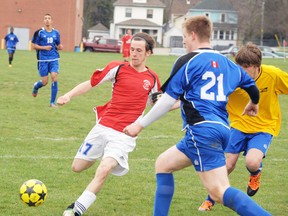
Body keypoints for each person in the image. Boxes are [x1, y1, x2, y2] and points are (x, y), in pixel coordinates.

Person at [123, 16, 271, 215]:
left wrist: (139, 125)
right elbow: (252, 86)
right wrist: (254, 102)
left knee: (219, 192)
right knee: (163, 164)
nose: (183, 41)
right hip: (221, 129)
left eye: (184, 36)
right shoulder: (228, 64)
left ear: (193, 35)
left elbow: (167, 100)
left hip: (202, 130)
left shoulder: (187, 61)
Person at [57, 32, 161, 216]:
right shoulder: (117, 68)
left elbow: (158, 104)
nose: (133, 54)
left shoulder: (152, 79)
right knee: (77, 167)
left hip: (125, 134)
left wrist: (180, 102)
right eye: (131, 49)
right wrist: (68, 95)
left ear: (148, 53)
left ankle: (75, 210)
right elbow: (90, 83)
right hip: (103, 127)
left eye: (138, 50)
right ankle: (104, 154)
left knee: (104, 169)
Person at [198, 43, 288, 211]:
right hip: (238, 126)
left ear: (257, 66)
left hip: (264, 127)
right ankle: (211, 198)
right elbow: (208, 94)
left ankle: (255, 174)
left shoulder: (273, 75)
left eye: (246, 67)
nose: (242, 71)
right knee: (227, 165)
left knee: (252, 162)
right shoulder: (231, 78)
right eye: (240, 66)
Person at [31, 13, 63, 107]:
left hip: (54, 58)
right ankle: (36, 86)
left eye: (49, 18)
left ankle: (52, 103)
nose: (47, 20)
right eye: (45, 18)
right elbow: (34, 46)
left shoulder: (56, 32)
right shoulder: (39, 32)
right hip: (43, 60)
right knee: (44, 82)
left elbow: (58, 45)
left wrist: (60, 46)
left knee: (54, 76)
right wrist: (44, 48)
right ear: (43, 21)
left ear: (52, 21)